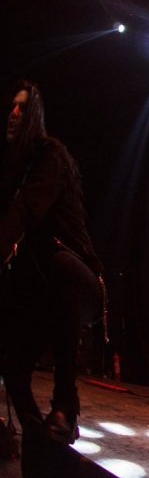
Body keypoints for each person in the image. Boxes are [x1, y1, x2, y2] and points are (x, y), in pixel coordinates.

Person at [0, 81, 104, 446]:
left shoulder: (51, 156)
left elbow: (25, 210)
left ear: (35, 115)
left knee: (61, 267)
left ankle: (66, 406)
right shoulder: (14, 170)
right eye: (11, 107)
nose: (13, 114)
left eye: (22, 107)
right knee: (13, 368)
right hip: (45, 293)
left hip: (82, 284)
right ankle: (38, 442)